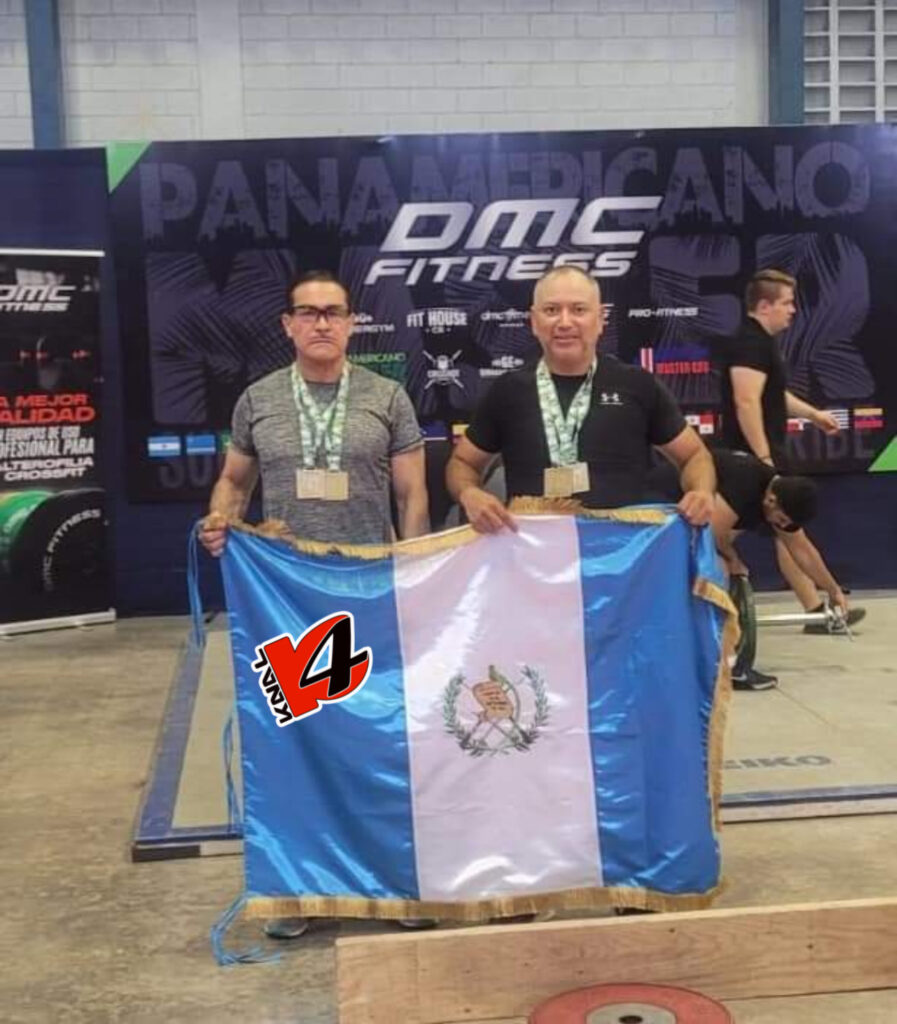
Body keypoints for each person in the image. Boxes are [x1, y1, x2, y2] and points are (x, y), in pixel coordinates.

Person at [199, 269, 430, 938]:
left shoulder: (387, 397)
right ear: (288, 325)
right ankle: (297, 890)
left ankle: (394, 883)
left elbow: (412, 495)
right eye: (308, 312)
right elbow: (233, 484)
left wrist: (414, 568)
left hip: (369, 594)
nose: (321, 323)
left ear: (352, 323)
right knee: (293, 746)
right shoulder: (259, 399)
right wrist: (221, 521)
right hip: (287, 600)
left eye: (333, 312)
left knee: (377, 742)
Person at [445, 265, 715, 532]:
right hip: (534, 549)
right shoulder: (507, 390)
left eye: (578, 310)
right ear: (534, 322)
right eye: (552, 310)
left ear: (600, 319)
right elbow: (462, 463)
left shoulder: (637, 384)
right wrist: (470, 493)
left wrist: (701, 491)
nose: (564, 322)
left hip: (620, 549)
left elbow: (694, 456)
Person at [718, 268, 851, 623]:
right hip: (749, 457)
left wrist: (813, 415)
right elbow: (746, 400)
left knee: (787, 530)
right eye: (787, 303)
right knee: (729, 533)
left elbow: (772, 396)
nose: (793, 310)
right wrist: (762, 457)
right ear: (765, 306)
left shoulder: (762, 344)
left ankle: (815, 608)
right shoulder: (750, 344)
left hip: (763, 452)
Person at [710, 449, 865, 691]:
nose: (780, 526)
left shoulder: (778, 497)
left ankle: (728, 664)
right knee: (721, 572)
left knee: (726, 569)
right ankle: (729, 667)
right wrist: (733, 559)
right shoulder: (746, 482)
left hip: (684, 515)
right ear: (771, 500)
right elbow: (711, 532)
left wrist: (833, 590)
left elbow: (803, 550)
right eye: (780, 520)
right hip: (661, 507)